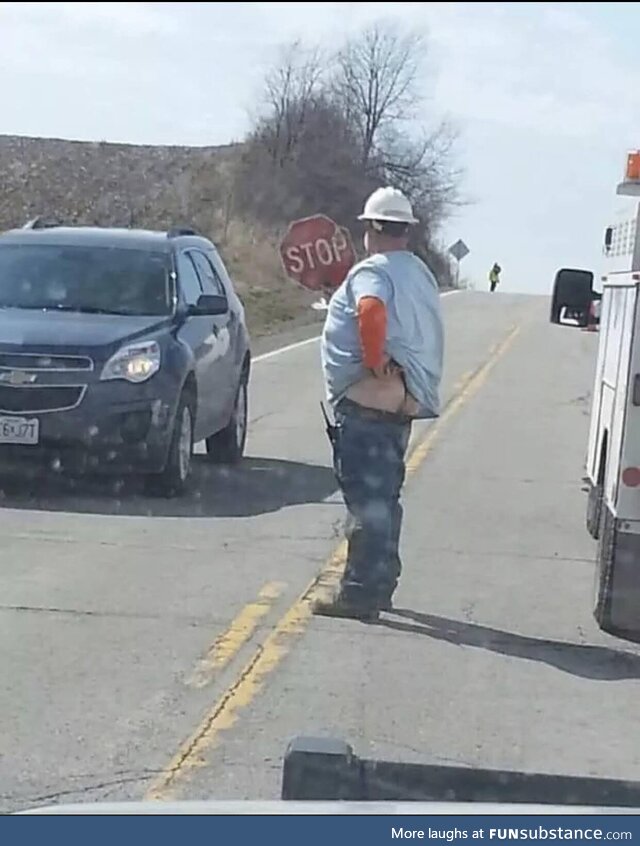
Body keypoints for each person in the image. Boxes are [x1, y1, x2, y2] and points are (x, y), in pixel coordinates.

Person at [315, 186, 444, 621]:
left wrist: (373, 360)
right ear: (405, 230)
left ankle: (359, 592)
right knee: (385, 498)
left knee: (367, 502)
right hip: (400, 404)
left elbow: (371, 310)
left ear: (372, 228)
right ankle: (380, 582)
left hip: (370, 404)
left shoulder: (374, 271)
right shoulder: (420, 273)